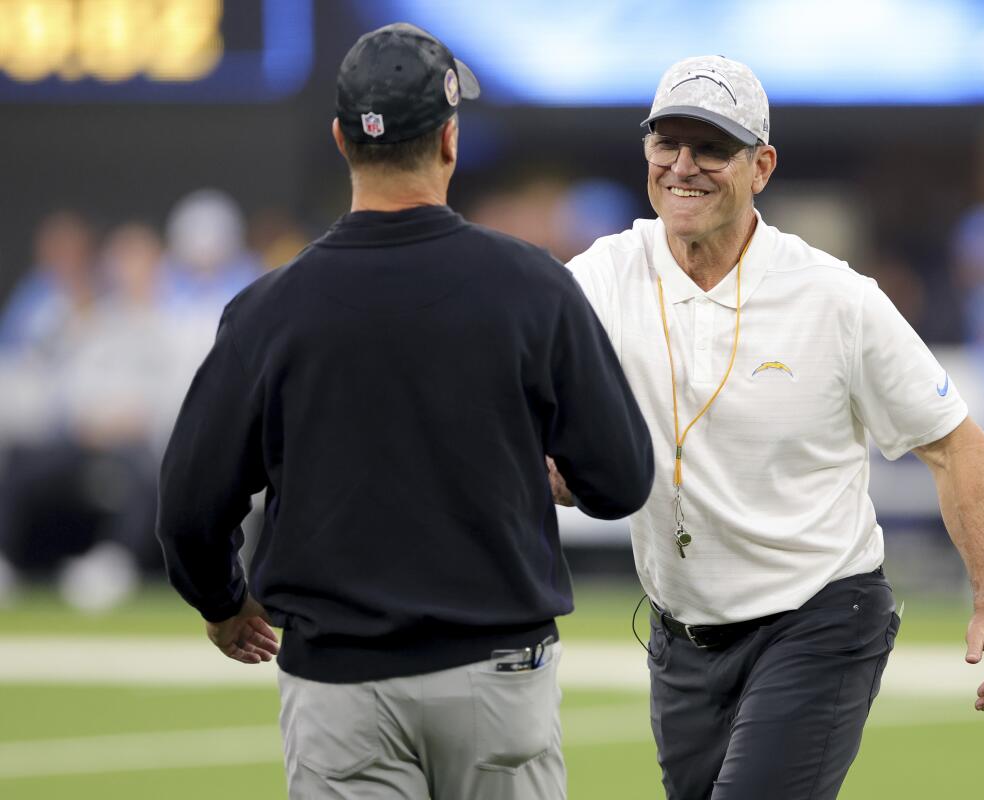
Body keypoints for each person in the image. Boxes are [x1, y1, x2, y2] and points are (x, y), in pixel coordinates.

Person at [157, 23, 653, 800]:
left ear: (340, 139)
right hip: (498, 674)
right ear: (450, 140)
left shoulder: (268, 310)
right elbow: (623, 478)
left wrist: (223, 603)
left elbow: (188, 507)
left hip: (341, 684)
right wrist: (557, 476)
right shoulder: (531, 286)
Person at [558, 56, 984, 799]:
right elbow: (529, 423)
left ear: (762, 166)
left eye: (711, 146)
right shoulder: (598, 279)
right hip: (680, 634)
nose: (683, 166)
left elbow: (954, 443)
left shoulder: (835, 297)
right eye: (666, 143)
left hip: (818, 618)